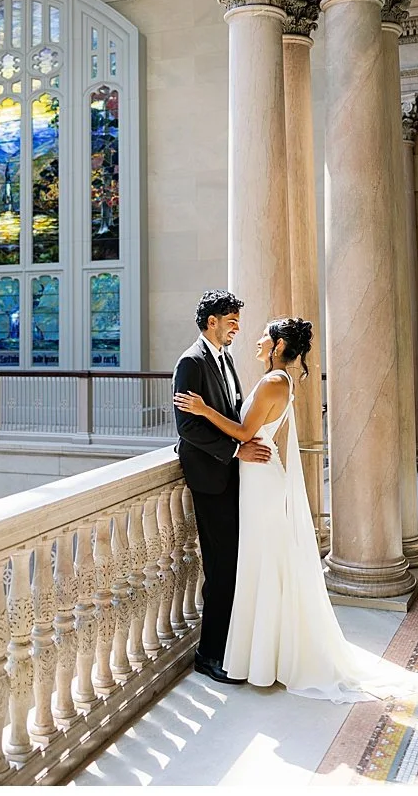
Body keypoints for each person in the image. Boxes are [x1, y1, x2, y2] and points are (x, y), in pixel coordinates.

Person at [174, 316, 418, 700]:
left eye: (264, 335)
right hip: (256, 478)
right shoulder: (279, 380)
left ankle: (266, 655)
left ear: (278, 346)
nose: (257, 340)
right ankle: (259, 652)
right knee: (262, 566)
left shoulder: (273, 382)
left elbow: (245, 434)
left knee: (266, 564)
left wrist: (202, 409)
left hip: (260, 482)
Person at [172, 289, 273, 685]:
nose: (236, 328)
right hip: (210, 479)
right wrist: (235, 452)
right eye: (230, 321)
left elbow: (229, 412)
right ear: (211, 321)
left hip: (230, 477)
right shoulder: (190, 362)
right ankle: (209, 655)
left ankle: (230, 646)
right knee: (220, 568)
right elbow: (188, 427)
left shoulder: (226, 358)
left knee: (234, 565)